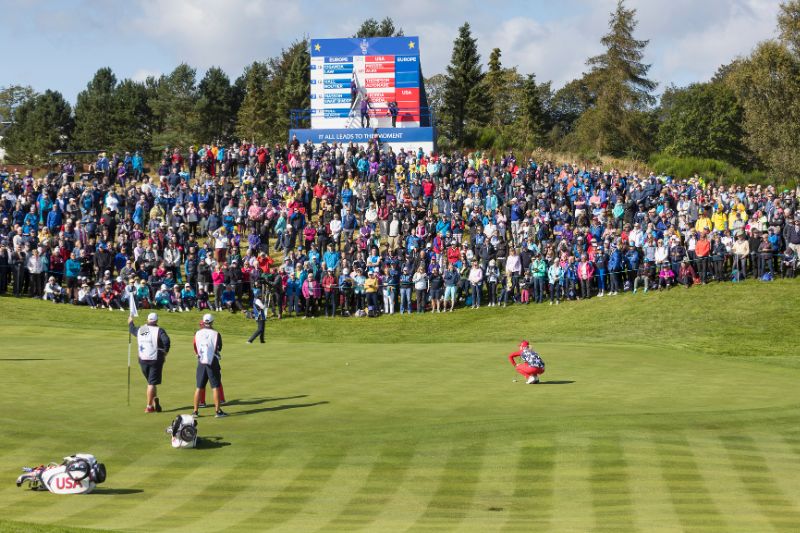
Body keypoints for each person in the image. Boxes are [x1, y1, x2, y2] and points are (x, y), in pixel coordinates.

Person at [128, 312, 171, 413]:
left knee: (151, 382)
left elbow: (132, 330)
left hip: (142, 359)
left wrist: (130, 322)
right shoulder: (159, 330)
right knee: (151, 383)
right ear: (156, 321)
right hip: (155, 360)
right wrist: (165, 352)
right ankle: (149, 407)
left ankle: (155, 401)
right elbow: (166, 341)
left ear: (148, 320)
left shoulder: (143, 329)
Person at [193, 313, 227, 418]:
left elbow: (195, 345)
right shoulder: (216, 334)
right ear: (212, 322)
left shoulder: (197, 333)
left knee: (199, 387)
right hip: (212, 361)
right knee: (215, 387)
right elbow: (219, 347)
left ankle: (195, 412)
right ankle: (218, 411)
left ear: (203, 321)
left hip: (201, 361)